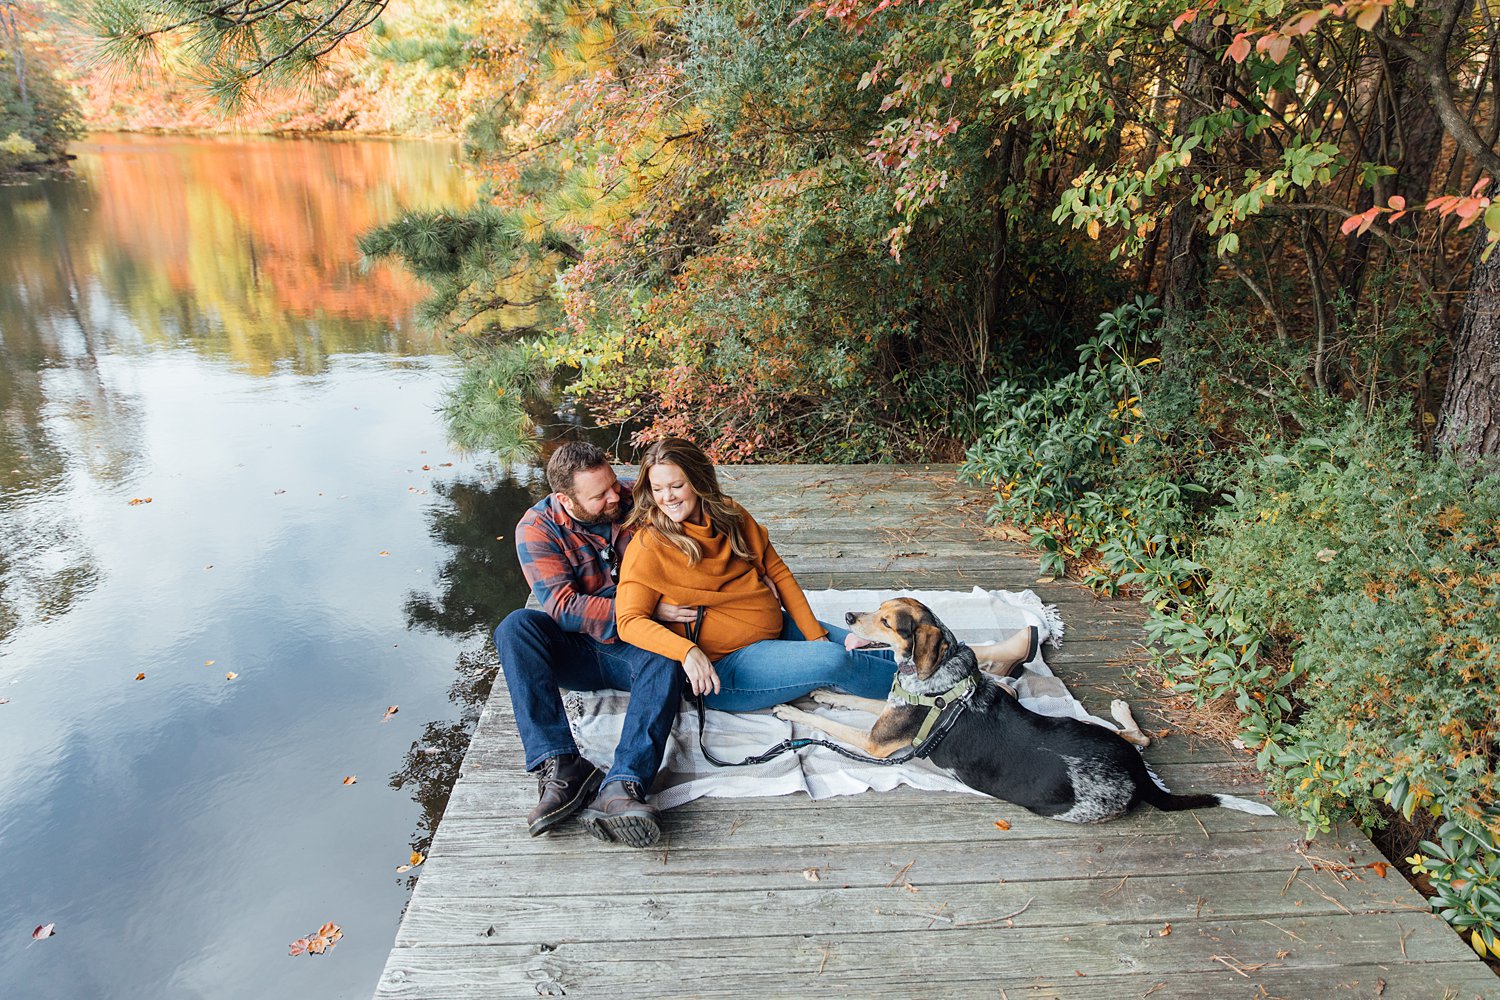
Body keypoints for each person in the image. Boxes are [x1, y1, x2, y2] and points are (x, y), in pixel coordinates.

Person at [493, 441, 696, 849]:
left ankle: (623, 785)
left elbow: (695, 517)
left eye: (611, 484)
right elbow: (564, 609)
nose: (613, 496)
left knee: (666, 651)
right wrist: (648, 606)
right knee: (516, 626)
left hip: (635, 646)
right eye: (599, 495)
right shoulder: (536, 528)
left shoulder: (633, 498)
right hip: (579, 649)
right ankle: (563, 764)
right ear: (565, 499)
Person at [614, 438, 900, 711]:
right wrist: (686, 651)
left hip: (776, 630)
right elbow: (628, 621)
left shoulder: (729, 514)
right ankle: (929, 693)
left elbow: (777, 572)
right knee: (836, 659)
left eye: (677, 485)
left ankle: (933, 667)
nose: (667, 498)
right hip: (727, 668)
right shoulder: (649, 546)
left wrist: (815, 636)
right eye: (658, 488)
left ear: (699, 481)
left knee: (872, 641)